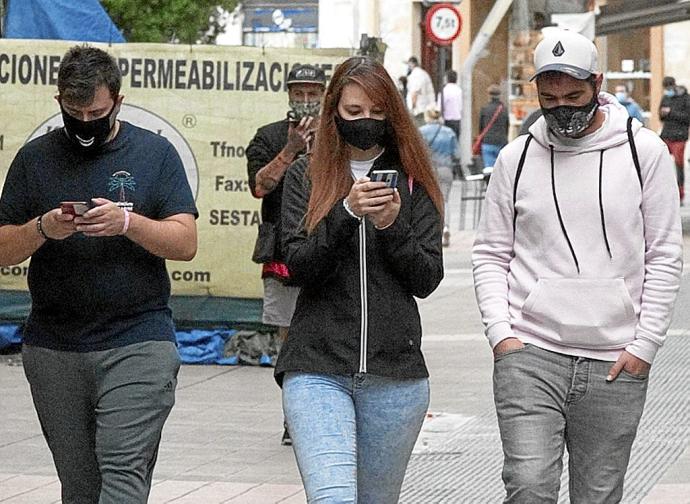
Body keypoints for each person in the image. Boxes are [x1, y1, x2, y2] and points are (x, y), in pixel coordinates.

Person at [473, 29, 682, 503]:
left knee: (598, 495)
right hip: (530, 353)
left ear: (598, 84)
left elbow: (665, 255)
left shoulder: (643, 152)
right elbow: (490, 252)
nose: (562, 106)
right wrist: (501, 334)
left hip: (615, 362)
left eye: (574, 95)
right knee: (529, 487)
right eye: (549, 98)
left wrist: (645, 345)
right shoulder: (516, 158)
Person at [0, 45, 198, 503]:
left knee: (123, 470)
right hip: (55, 345)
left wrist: (128, 224)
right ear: (59, 103)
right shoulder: (34, 159)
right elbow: (4, 246)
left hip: (139, 339)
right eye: (75, 111)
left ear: (119, 103)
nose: (86, 120)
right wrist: (44, 228)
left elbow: (185, 243)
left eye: (97, 112)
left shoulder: (155, 153)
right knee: (81, 486)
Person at [276, 56, 444, 503]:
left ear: (392, 114)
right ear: (334, 112)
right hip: (317, 368)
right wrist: (345, 213)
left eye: (376, 112)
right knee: (333, 497)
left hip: (396, 375)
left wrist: (392, 226)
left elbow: (426, 278)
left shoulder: (413, 181)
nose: (365, 122)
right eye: (354, 112)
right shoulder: (305, 176)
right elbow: (296, 266)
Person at [246, 63, 326, 446]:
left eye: (314, 92)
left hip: (329, 251)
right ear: (289, 95)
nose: (307, 99)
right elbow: (259, 188)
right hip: (283, 255)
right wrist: (291, 149)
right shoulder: (268, 136)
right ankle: (293, 419)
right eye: (300, 92)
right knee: (288, 342)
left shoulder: (338, 136)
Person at [420, 105, 458, 247]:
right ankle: (446, 227)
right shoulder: (449, 132)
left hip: (429, 170)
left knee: (430, 201)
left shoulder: (422, 131)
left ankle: (434, 230)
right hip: (446, 169)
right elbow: (457, 153)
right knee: (445, 200)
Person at [659, 75, 690, 203]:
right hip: (666, 134)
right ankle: (662, 191)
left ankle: (680, 192)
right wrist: (663, 113)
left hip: (679, 136)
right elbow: (660, 115)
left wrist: (670, 112)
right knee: (659, 162)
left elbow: (687, 118)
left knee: (679, 165)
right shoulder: (666, 97)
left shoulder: (685, 98)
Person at [477, 84, 509, 168]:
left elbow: (481, 127)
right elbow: (507, 127)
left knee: (489, 169)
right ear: (499, 96)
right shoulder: (504, 110)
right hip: (501, 142)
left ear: (489, 96)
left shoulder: (485, 109)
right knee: (502, 169)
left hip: (488, 142)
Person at [406, 56, 435, 126]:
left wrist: (412, 108)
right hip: (426, 107)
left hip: (418, 109)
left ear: (412, 64)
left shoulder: (415, 75)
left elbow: (414, 92)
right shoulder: (424, 74)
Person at [437, 69, 463, 138]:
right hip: (458, 120)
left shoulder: (444, 91)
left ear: (446, 79)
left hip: (447, 121)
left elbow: (439, 107)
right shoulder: (460, 90)